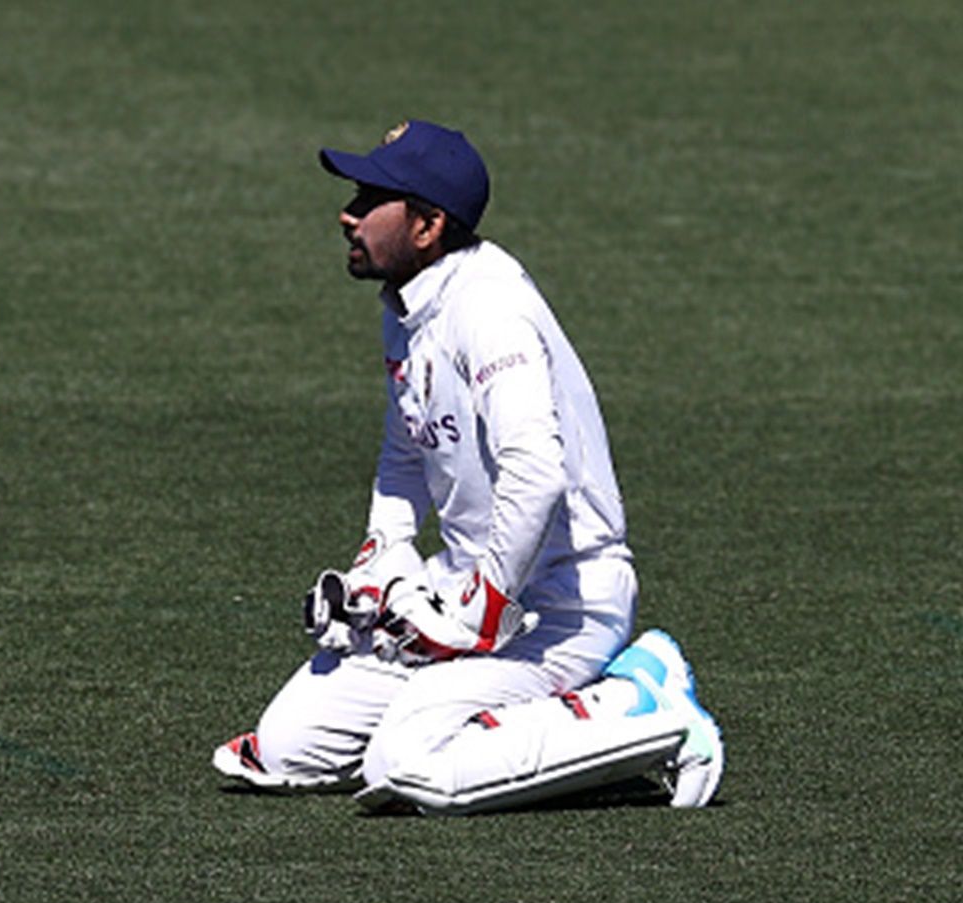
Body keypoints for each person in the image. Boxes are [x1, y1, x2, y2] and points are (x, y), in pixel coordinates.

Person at [211, 120, 723, 814]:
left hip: (561, 608)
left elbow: (535, 470)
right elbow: (405, 451)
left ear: (427, 226)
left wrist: (482, 608)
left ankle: (644, 701)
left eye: (370, 198)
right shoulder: (408, 300)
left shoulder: (489, 308)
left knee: (408, 765)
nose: (348, 213)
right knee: (287, 748)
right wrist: (380, 558)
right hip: (459, 598)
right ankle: (521, 726)